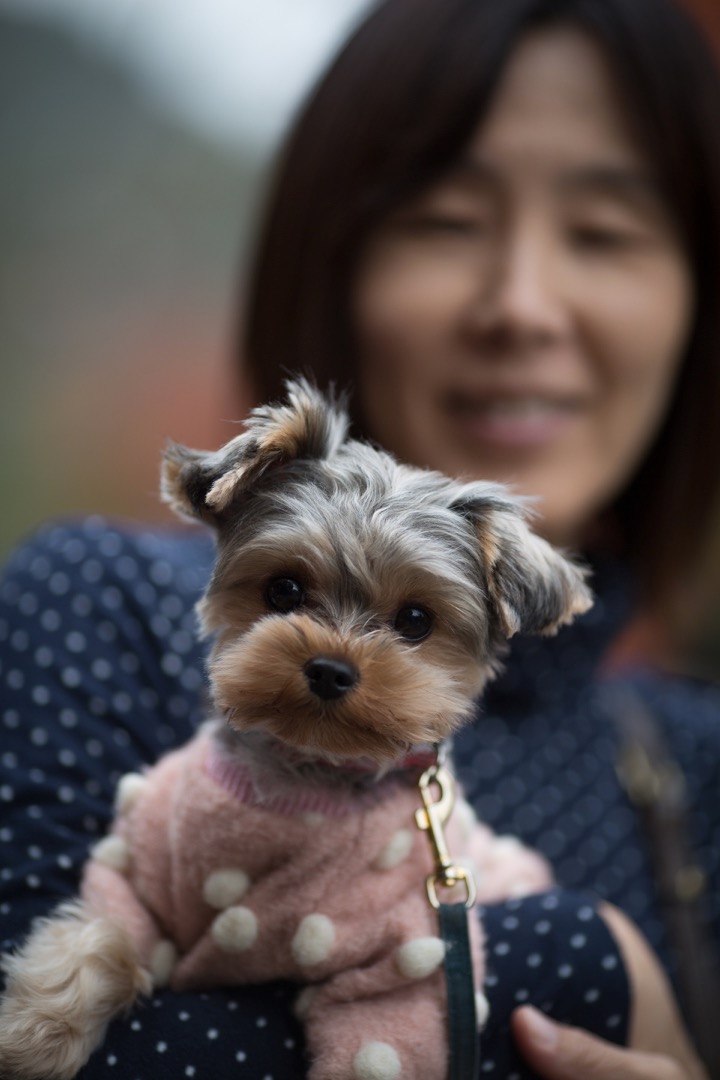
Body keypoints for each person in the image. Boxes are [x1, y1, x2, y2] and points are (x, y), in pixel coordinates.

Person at [1, 0, 719, 1076]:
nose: (522, 305)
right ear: (331, 252)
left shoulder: (695, 765)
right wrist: (590, 963)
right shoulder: (102, 607)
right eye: (445, 218)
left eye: (605, 232)